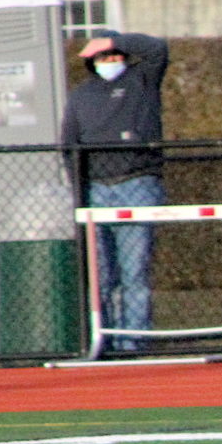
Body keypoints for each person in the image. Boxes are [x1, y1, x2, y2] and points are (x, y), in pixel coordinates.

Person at [60, 29, 169, 355]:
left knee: (134, 272)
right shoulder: (81, 96)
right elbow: (69, 145)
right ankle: (103, 341)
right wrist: (79, 191)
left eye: (116, 55)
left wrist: (114, 41)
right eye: (104, 57)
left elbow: (157, 48)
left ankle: (133, 343)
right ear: (92, 63)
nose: (111, 61)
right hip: (96, 190)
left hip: (136, 183)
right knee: (102, 275)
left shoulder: (142, 82)